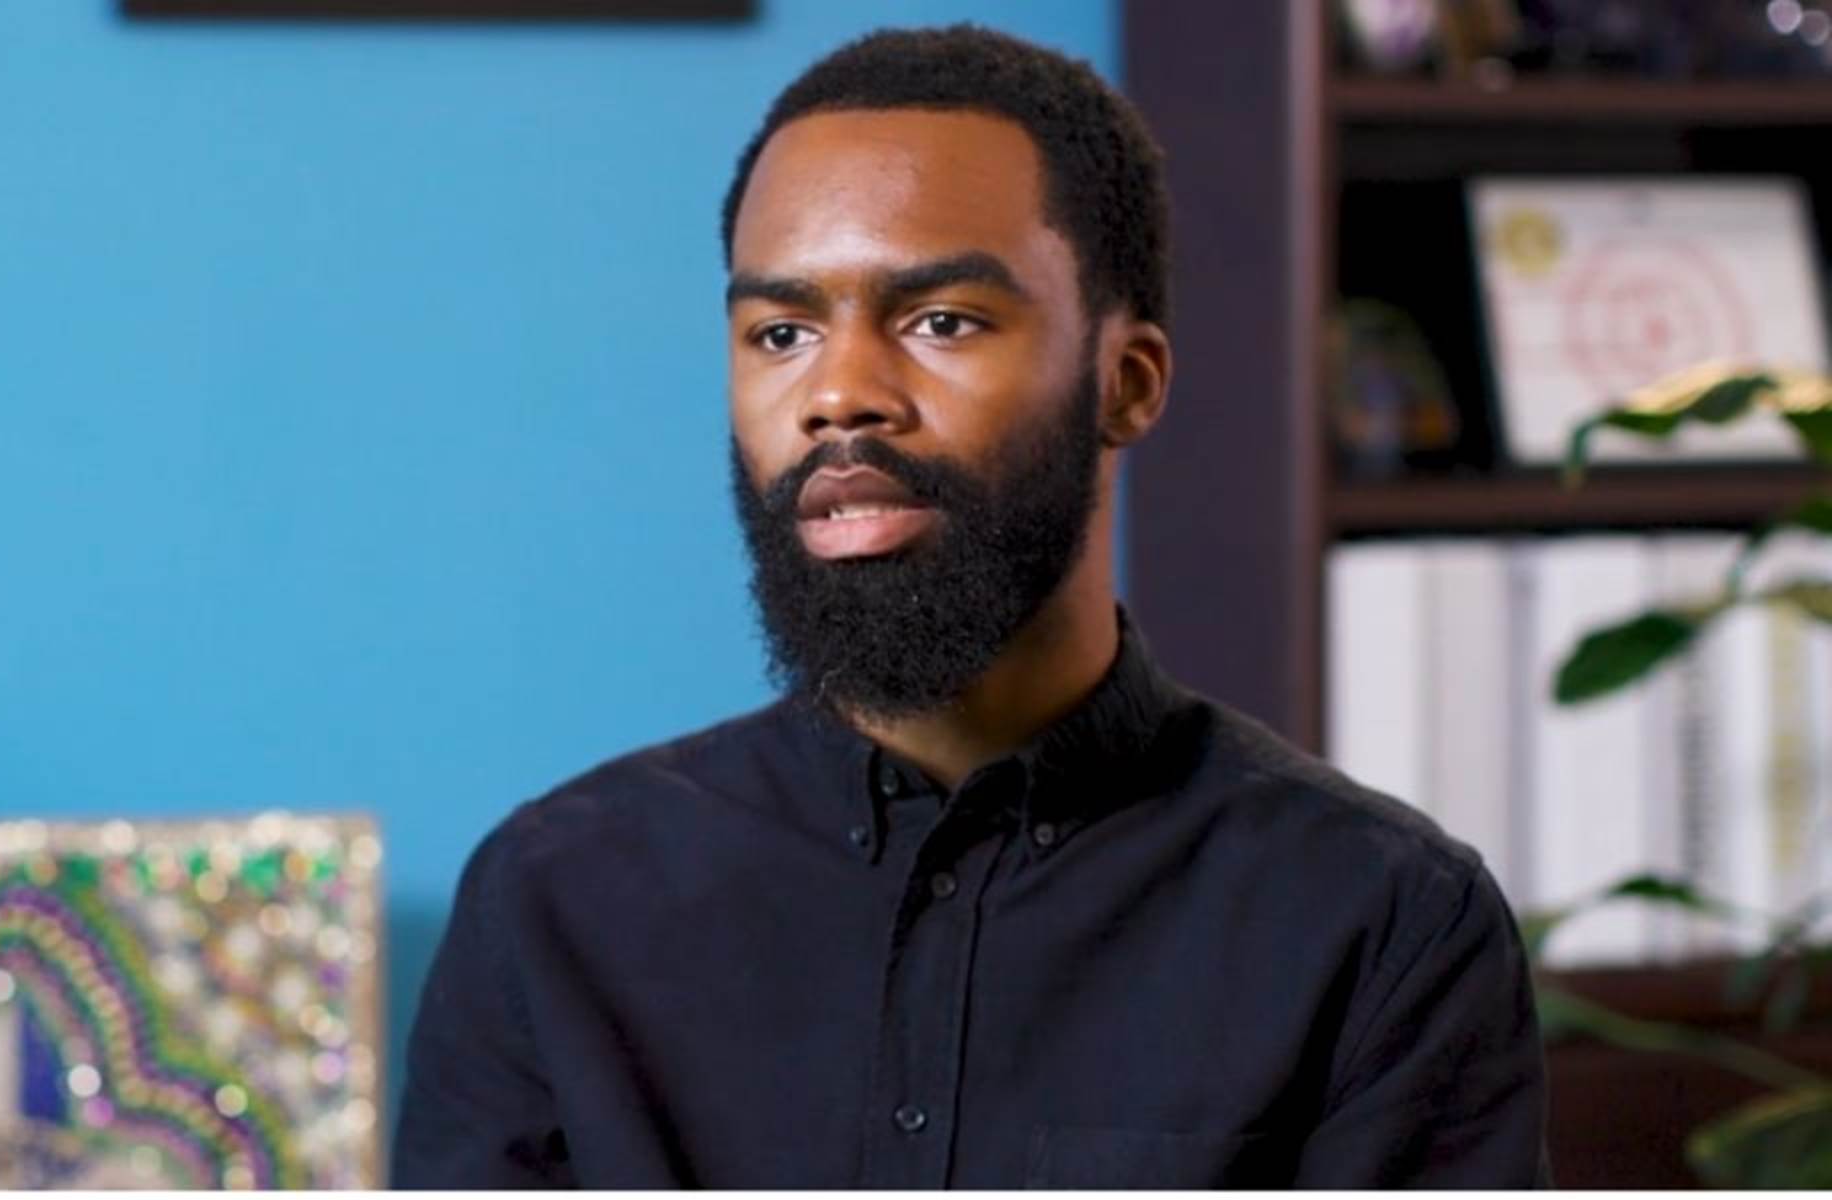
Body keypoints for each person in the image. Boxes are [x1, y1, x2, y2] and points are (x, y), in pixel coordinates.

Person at [392, 24, 1548, 1189]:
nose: (839, 395)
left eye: (940, 321)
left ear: (1128, 382)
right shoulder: (553, 905)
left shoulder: (1379, 924)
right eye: (781, 334)